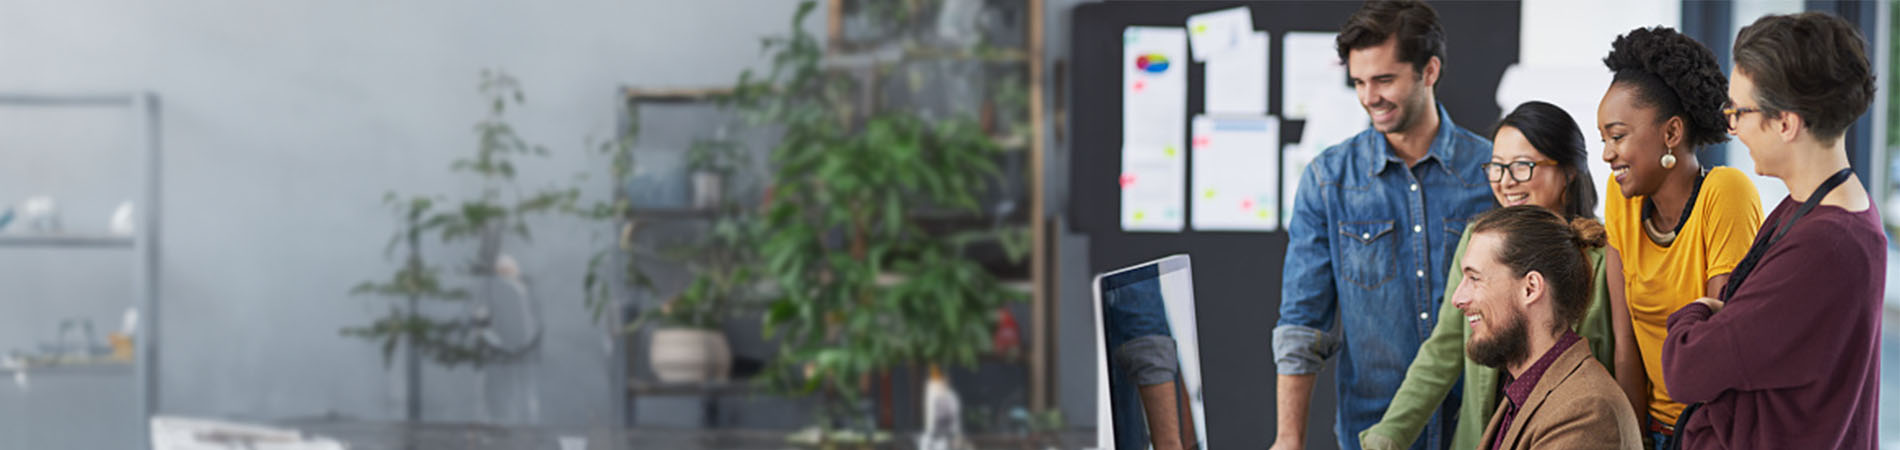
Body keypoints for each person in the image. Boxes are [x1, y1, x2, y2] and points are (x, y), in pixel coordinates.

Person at [1273, 1, 1493, 449]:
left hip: (1477, 429)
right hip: (1372, 433)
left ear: (1428, 71)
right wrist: (1288, 439)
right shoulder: (1327, 181)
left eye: (1384, 79)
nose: (1369, 96)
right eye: (1358, 82)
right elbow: (1302, 325)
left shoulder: (1491, 172)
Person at [1661, 12, 1882, 449]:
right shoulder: (1815, 205)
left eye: (1739, 112)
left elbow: (1685, 369)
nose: (1733, 127)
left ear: (1786, 122)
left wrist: (1699, 310)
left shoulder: (1827, 245)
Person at [1360, 101, 1618, 450]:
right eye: (1496, 167)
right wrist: (1387, 436)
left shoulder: (1606, 255)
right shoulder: (1478, 240)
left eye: (1522, 166)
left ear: (1569, 171)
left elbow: (1623, 362)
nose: (1506, 182)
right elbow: (1445, 348)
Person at [1594, 26, 1764, 449]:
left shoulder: (1725, 193)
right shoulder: (1623, 197)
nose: (1606, 153)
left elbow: (1716, 354)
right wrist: (1636, 442)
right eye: (1603, 140)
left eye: (1617, 136)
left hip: (1714, 432)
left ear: (1671, 134)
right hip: (1649, 427)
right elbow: (1625, 342)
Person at [1456, 206, 1643, 449]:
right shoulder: (1526, 390)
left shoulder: (1587, 412)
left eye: (1475, 279)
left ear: (1531, 288)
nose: (1458, 298)